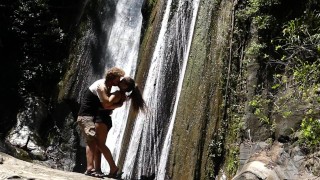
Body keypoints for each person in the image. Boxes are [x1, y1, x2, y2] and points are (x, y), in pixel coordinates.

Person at [93, 76, 146, 178]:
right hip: (104, 119)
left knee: (99, 144)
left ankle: (113, 167)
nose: (120, 80)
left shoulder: (118, 93)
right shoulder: (121, 94)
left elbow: (106, 103)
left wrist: (100, 91)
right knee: (98, 145)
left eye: (122, 80)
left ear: (125, 86)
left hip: (102, 119)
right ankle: (98, 169)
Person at [76, 67, 125, 177]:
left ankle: (96, 169)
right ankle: (90, 168)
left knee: (94, 140)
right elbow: (106, 104)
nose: (120, 81)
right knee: (91, 139)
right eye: (118, 78)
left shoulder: (108, 86)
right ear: (112, 78)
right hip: (85, 116)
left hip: (91, 116)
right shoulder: (101, 86)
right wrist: (118, 104)